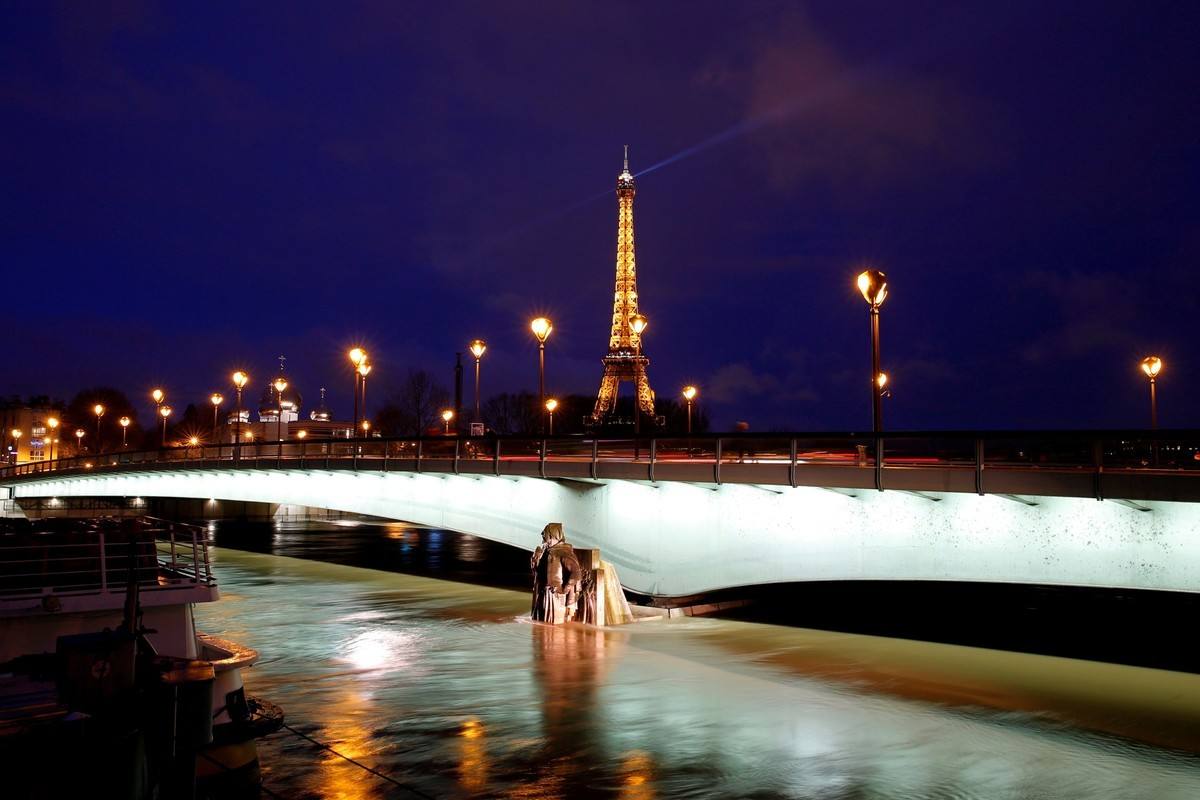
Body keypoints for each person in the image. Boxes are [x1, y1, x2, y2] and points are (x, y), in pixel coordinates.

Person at [530, 523, 584, 623]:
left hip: (555, 596)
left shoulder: (563, 552)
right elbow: (538, 572)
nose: (545, 542)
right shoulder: (547, 551)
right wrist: (535, 559)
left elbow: (576, 573)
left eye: (547, 538)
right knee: (543, 628)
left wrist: (564, 589)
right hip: (544, 593)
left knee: (553, 629)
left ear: (554, 536)